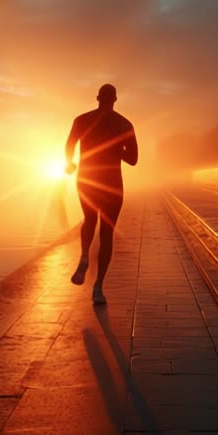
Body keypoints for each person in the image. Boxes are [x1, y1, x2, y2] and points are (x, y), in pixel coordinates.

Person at [64, 83, 138, 304]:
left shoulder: (81, 120)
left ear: (97, 98)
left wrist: (70, 164)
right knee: (107, 235)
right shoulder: (124, 124)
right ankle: (98, 289)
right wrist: (117, 149)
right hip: (113, 185)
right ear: (115, 100)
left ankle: (85, 256)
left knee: (88, 220)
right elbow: (133, 160)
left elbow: (69, 146)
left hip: (87, 180)